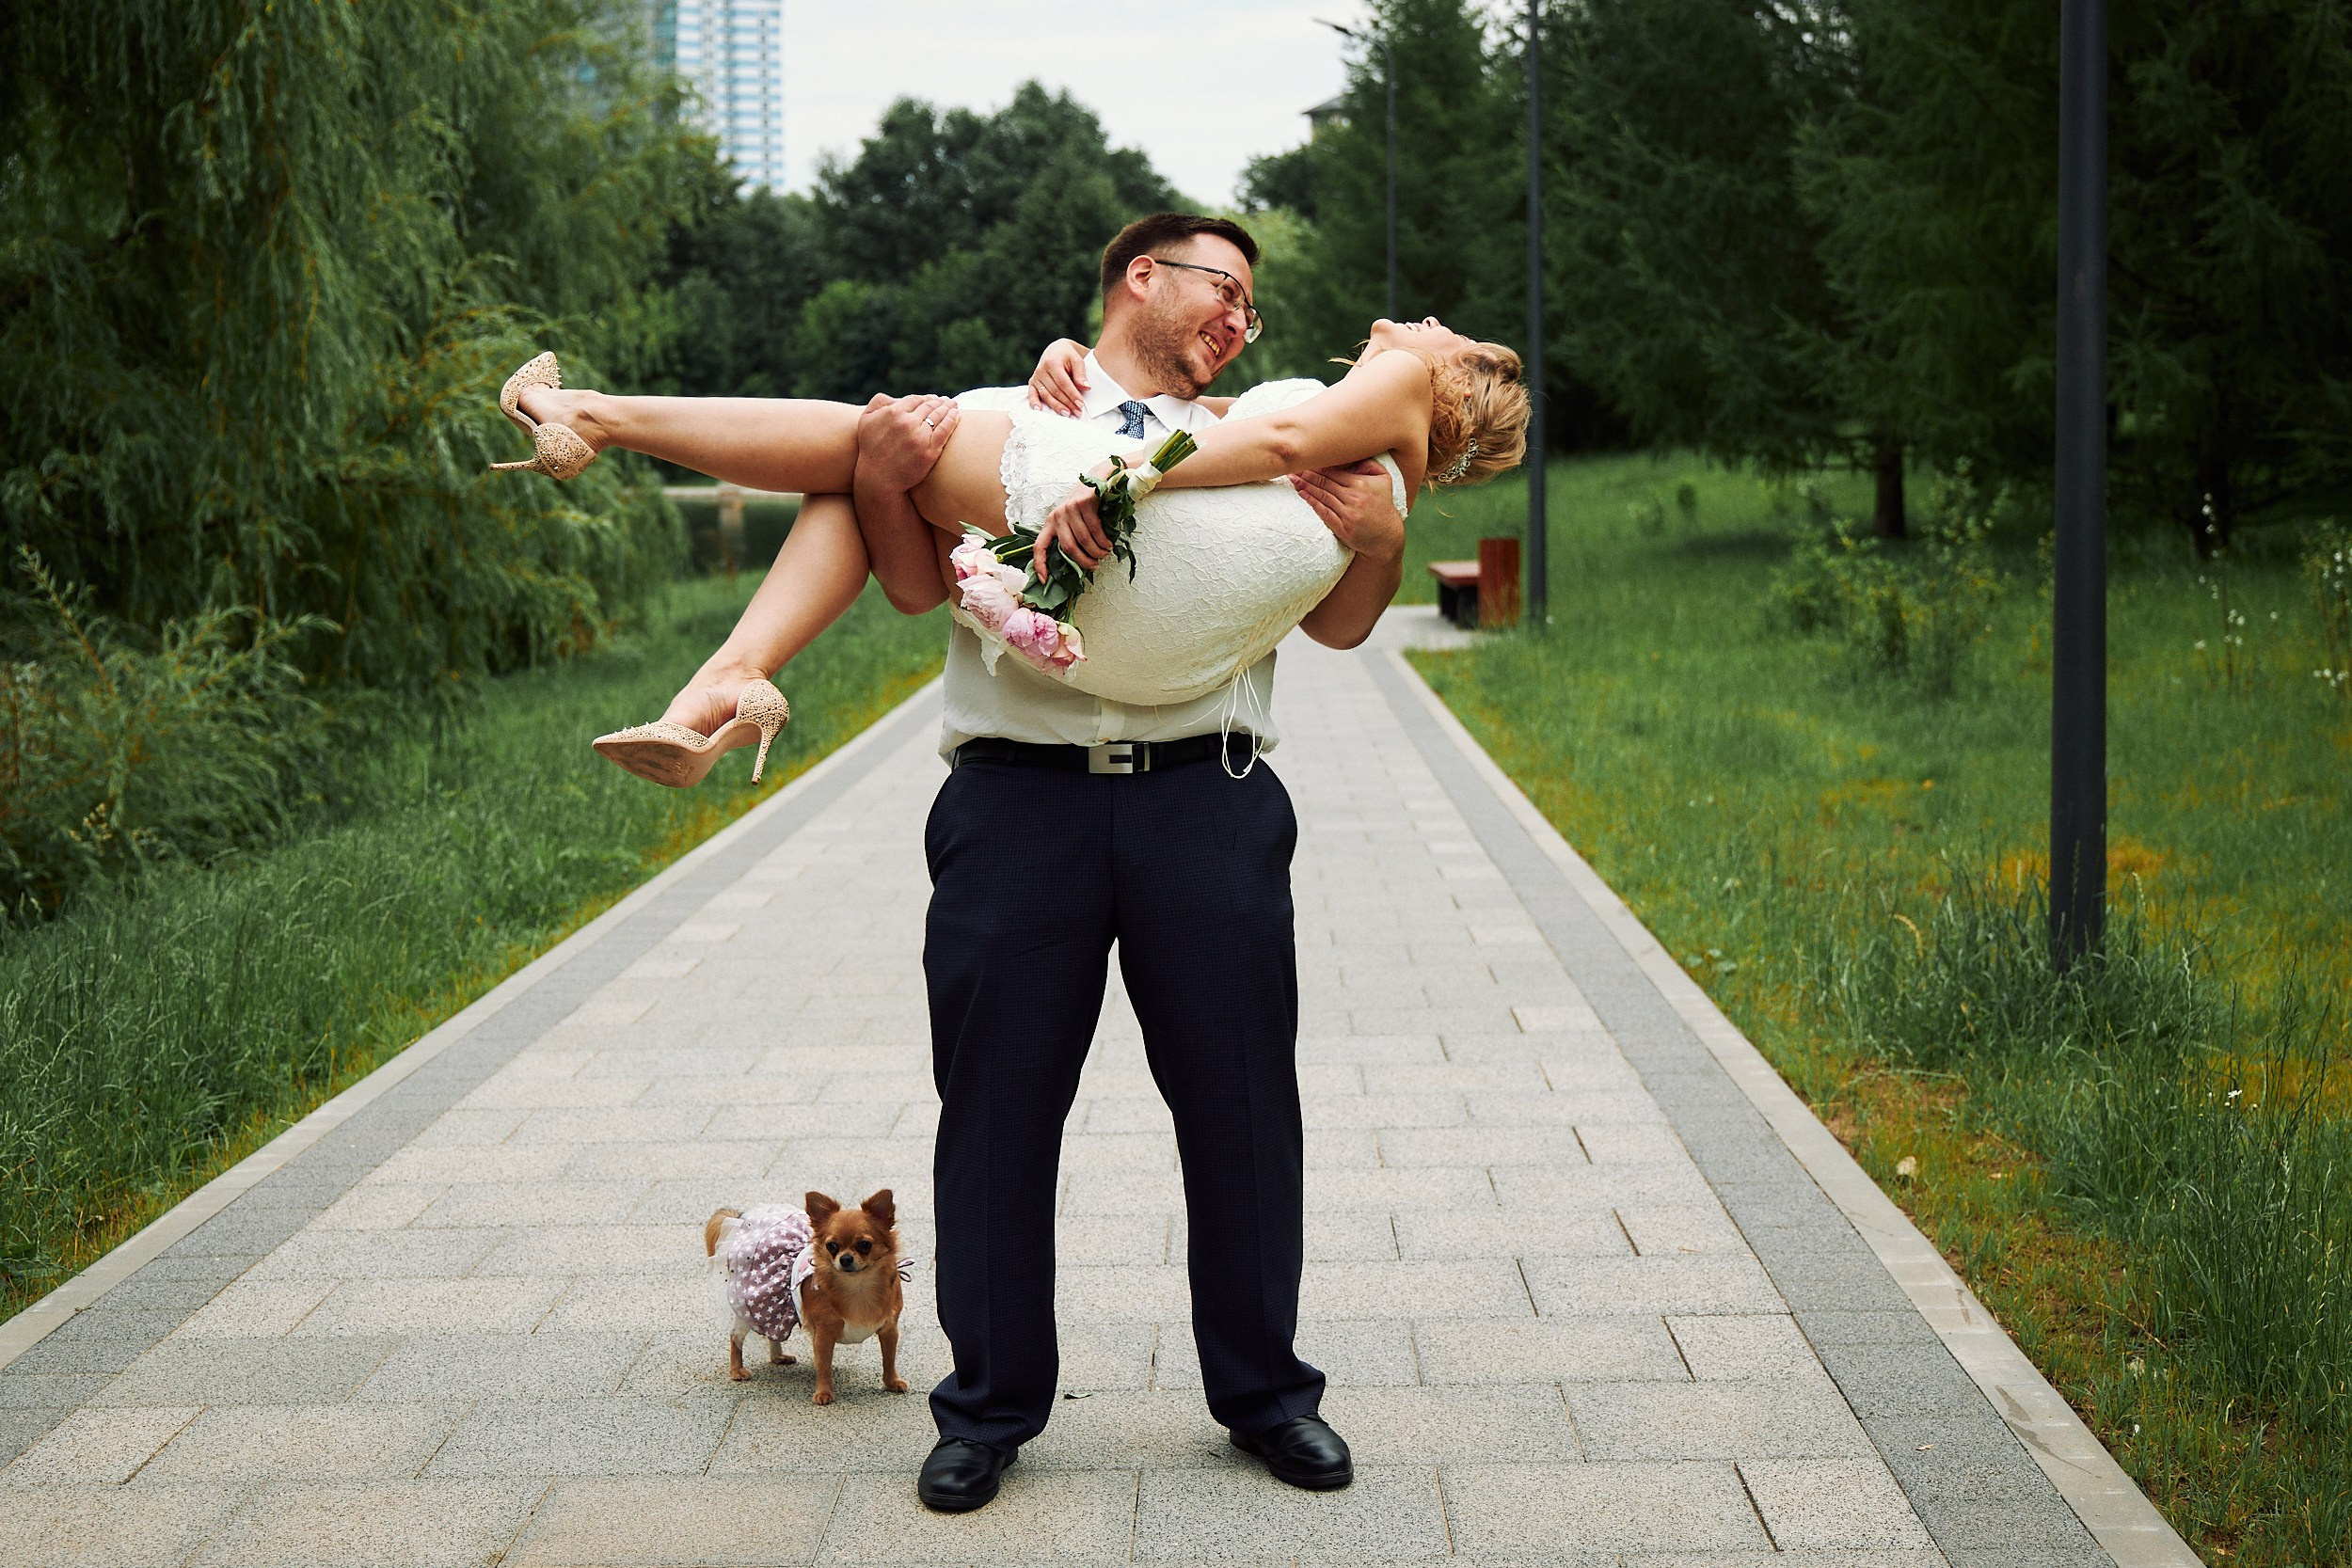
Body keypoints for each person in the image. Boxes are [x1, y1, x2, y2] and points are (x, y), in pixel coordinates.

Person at [501, 213, 1528, 1511]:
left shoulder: (1277, 431)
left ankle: (1267, 1395)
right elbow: (920, 588)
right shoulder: (1012, 404)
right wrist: (896, 477)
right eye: (1226, 291)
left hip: (1206, 798)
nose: (1241, 321)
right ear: (1137, 279)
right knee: (992, 1118)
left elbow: (1333, 625)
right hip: (1018, 804)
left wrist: (1376, 540)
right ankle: (985, 1411)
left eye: (1252, 310)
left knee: (1245, 1115)